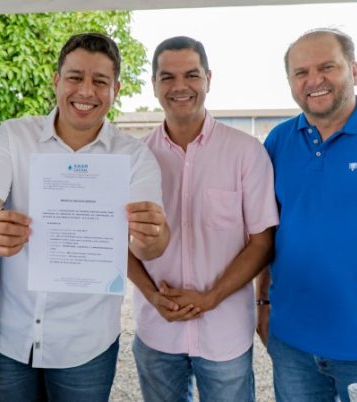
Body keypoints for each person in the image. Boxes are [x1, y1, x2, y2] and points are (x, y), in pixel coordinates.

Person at [0, 32, 169, 402]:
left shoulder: (135, 157)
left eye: (100, 81)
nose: (86, 91)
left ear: (116, 89)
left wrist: (152, 237)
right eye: (75, 77)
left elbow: (148, 245)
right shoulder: (13, 136)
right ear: (56, 80)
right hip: (12, 335)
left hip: (87, 342)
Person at [258, 27, 357, 402]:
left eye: (327, 67)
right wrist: (262, 304)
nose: (314, 80)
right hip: (292, 346)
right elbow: (268, 232)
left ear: (354, 70)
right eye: (301, 72)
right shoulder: (278, 141)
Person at [127, 36, 278, 402]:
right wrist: (152, 296)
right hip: (156, 332)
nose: (180, 86)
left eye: (191, 75)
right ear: (154, 84)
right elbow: (116, 241)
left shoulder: (246, 152)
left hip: (224, 332)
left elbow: (262, 242)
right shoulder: (134, 157)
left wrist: (211, 298)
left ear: (208, 79)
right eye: (167, 77)